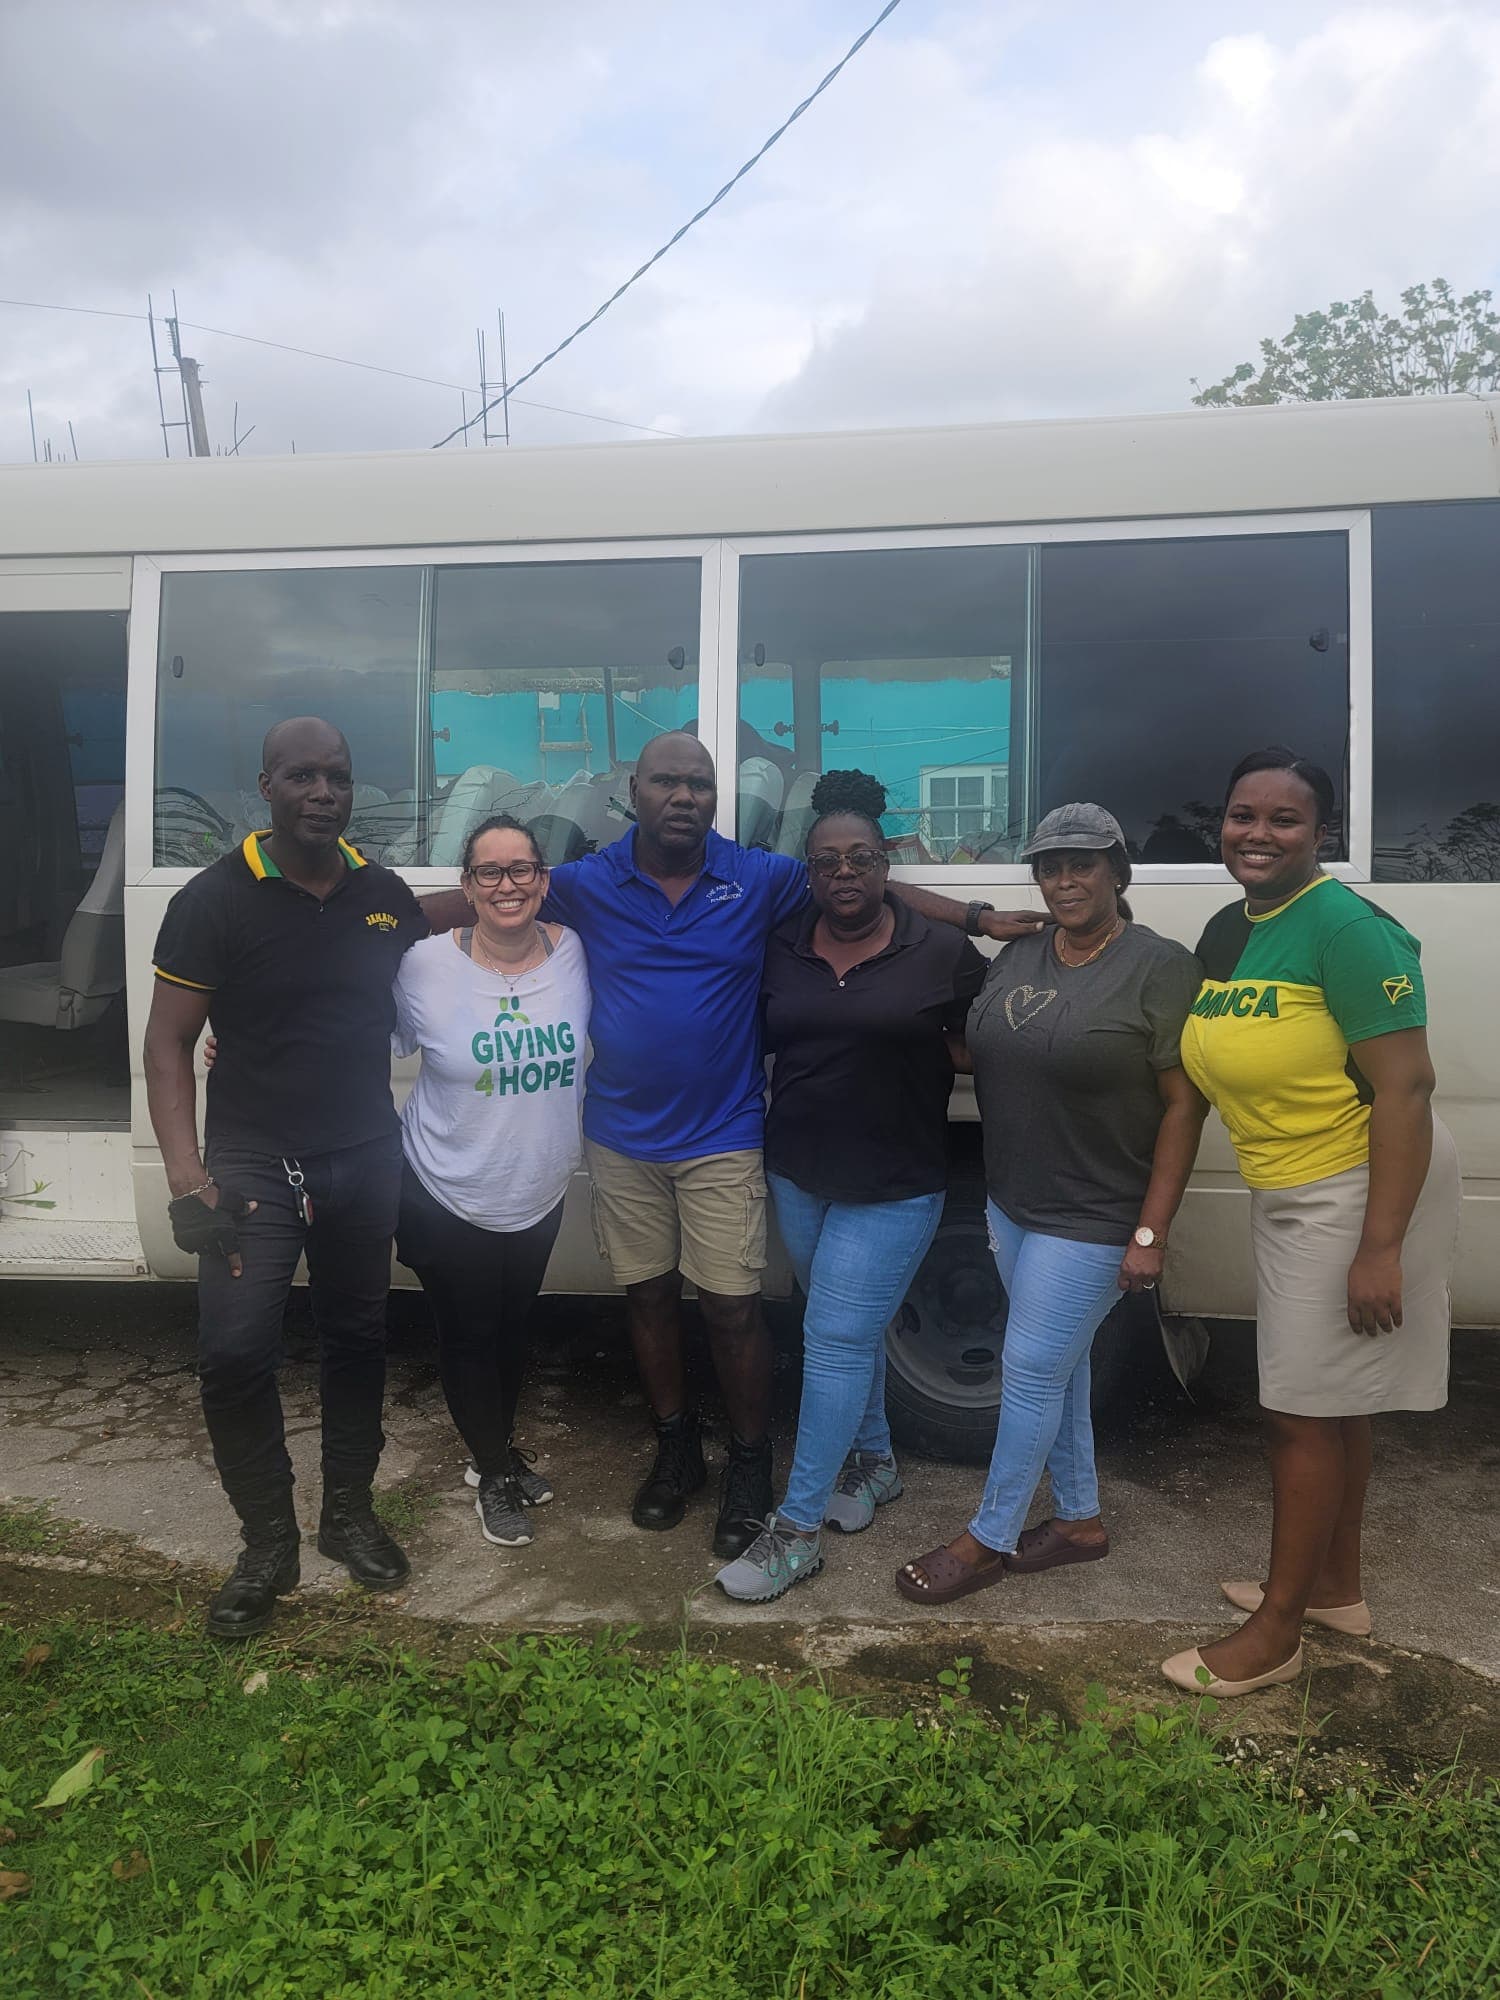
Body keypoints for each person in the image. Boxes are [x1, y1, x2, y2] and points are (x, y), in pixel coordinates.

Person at [417, 732, 1043, 1558]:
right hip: (621, 1137)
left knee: (733, 1308)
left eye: (699, 784)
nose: (684, 796)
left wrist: (974, 917)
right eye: (667, 782)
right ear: (632, 794)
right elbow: (471, 900)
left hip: (724, 1135)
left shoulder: (760, 876)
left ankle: (750, 1465)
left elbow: (862, 877)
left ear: (714, 799)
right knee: (645, 1298)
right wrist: (354, 920)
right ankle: (675, 1449)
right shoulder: (586, 883)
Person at [1162, 748, 1460, 1698]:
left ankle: (1278, 1633)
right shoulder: (1230, 925)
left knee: (1297, 1411)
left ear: (1319, 833)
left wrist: (1380, 1247)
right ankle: (1334, 1588)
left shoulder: (1348, 928)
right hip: (1291, 1181)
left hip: (1361, 1180)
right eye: (1242, 815)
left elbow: (1407, 1090)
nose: (1257, 834)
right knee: (1333, 1402)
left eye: (1283, 820)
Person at [144, 718, 427, 1638]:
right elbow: (168, 1042)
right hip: (252, 1167)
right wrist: (188, 1179)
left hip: (361, 1155)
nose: (322, 792)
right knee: (233, 1355)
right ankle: (266, 1543)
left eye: (337, 777)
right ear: (264, 785)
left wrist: (507, 895)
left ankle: (347, 1515)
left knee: (358, 1340)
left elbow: (444, 939)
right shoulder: (212, 899)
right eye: (301, 776)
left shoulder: (383, 895)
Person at [895, 803, 1205, 1607]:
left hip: (1099, 1214)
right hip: (1012, 1204)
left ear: (1117, 871)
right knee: (1058, 1373)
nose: (1064, 880)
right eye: (1049, 866)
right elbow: (987, 1043)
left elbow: (1184, 1105)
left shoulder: (1159, 966)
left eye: (1083, 864)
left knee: (1030, 1369)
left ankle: (989, 1538)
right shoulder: (1021, 950)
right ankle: (1079, 1523)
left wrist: (1151, 1230)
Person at [715, 773, 987, 1601]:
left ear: (886, 865)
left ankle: (794, 1533)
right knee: (844, 1329)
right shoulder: (784, 943)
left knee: (831, 1339)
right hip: (799, 1172)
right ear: (808, 870)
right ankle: (874, 1465)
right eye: (827, 860)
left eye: (861, 858)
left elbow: (990, 1043)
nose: (844, 873)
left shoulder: (940, 952)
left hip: (896, 1184)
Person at [392, 814, 589, 1551]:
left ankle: (496, 1452)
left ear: (543, 879)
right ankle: (494, 1469)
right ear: (467, 886)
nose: (507, 885)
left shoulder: (576, 955)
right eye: (489, 872)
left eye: (521, 870)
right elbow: (344, 1030)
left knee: (512, 1327)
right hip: (447, 1186)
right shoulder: (423, 966)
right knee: (471, 1335)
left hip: (536, 1187)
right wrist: (246, 1043)